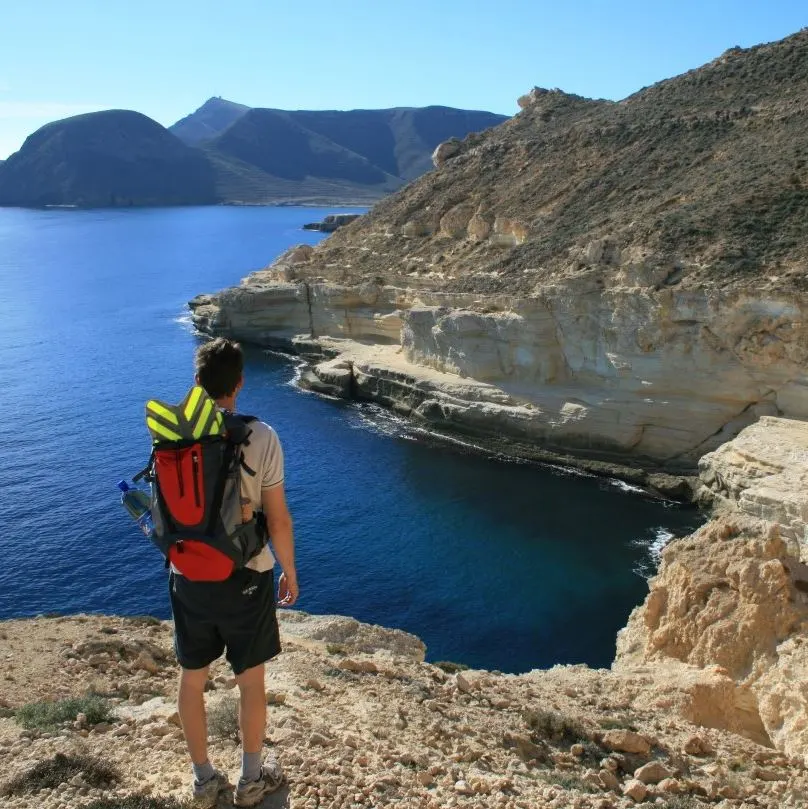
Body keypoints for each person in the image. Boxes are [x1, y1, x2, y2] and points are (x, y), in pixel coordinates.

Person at [168, 337, 299, 808]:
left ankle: (204, 780)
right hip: (247, 575)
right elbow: (278, 518)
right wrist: (289, 570)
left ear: (197, 381)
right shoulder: (260, 436)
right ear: (239, 383)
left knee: (192, 677)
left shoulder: (171, 435)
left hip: (188, 576)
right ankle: (250, 779)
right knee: (250, 679)